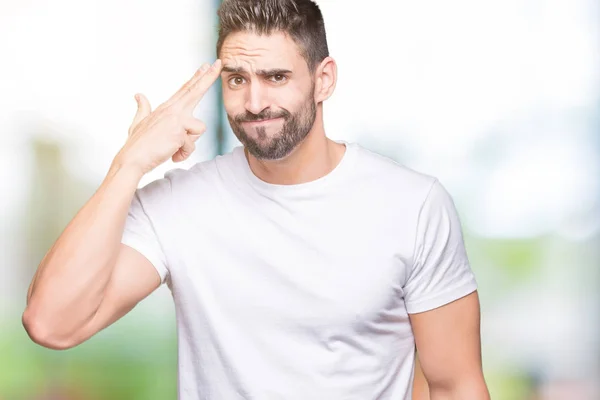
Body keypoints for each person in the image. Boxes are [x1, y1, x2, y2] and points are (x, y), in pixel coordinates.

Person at [22, 0, 490, 399]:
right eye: (237, 79)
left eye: (276, 76)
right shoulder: (178, 205)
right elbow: (51, 323)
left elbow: (455, 386)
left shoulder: (413, 205)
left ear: (324, 79)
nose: (254, 102)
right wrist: (129, 164)